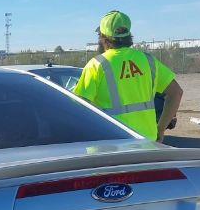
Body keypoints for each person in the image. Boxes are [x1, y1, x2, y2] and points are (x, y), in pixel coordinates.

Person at [74, 11, 182, 142]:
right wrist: (160, 128)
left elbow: (78, 108)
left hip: (110, 146)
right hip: (147, 144)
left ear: (103, 37)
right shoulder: (148, 61)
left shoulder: (97, 65)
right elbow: (176, 93)